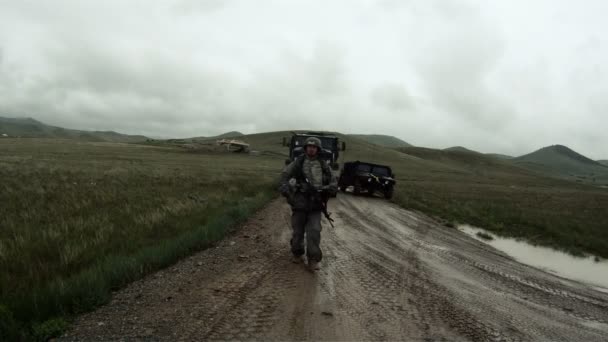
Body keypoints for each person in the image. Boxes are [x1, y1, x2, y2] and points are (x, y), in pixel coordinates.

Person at [279, 137, 337, 271]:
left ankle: (313, 259)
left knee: (314, 231)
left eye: (314, 147)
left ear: (318, 149)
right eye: (309, 146)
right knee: (298, 232)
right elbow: (285, 175)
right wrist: (285, 187)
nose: (311, 149)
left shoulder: (323, 165)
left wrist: (329, 188)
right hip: (299, 202)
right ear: (305, 148)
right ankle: (297, 253)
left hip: (315, 204)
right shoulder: (298, 163)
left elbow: (333, 181)